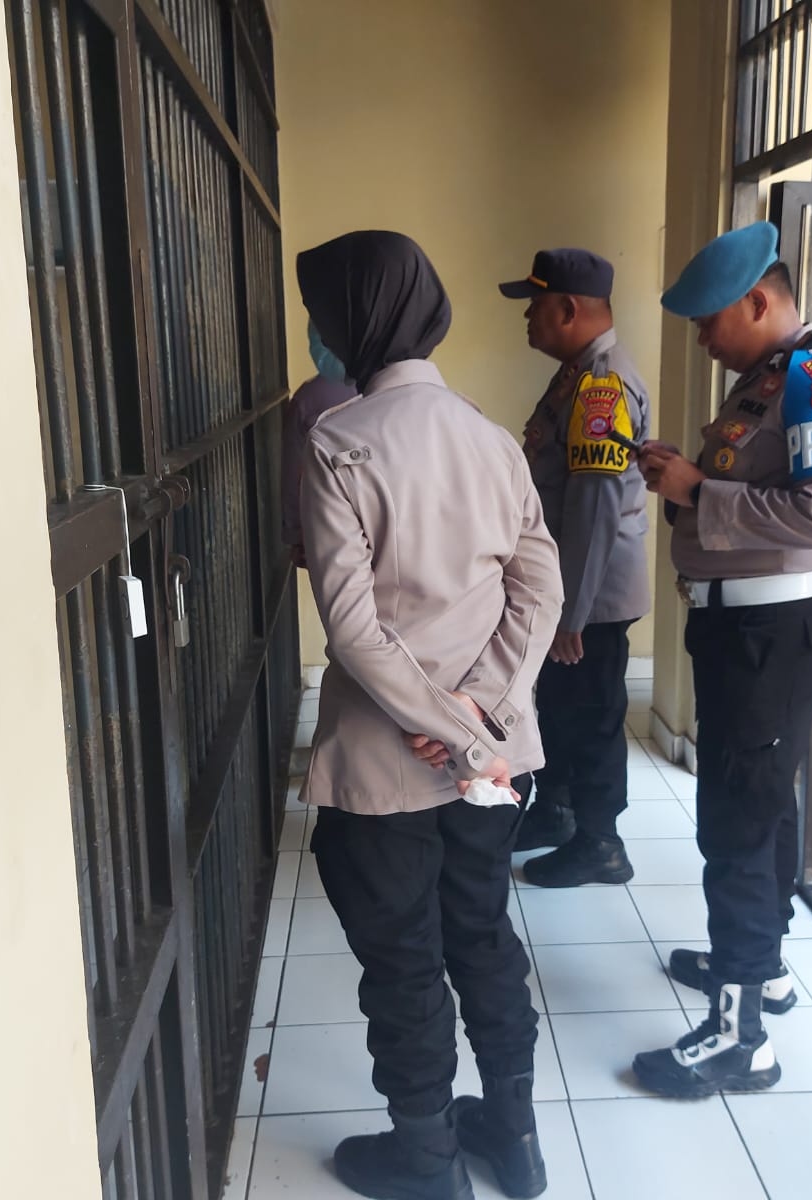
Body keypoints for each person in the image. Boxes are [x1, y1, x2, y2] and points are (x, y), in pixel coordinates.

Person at [297, 230, 564, 1200]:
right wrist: (481, 714)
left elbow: (353, 629)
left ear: (352, 319)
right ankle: (515, 1140)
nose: (319, 330)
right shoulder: (490, 437)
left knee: (404, 961)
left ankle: (425, 1158)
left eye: (321, 311)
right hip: (492, 765)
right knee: (482, 935)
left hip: (387, 764)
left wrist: (445, 727)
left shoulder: (337, 443)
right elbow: (540, 589)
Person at [628, 221, 812, 1098]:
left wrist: (697, 488)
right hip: (744, 630)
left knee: (737, 821)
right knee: (762, 804)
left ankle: (741, 1043)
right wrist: (683, 485)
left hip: (771, 632)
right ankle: (760, 970)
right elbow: (747, 491)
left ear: (758, 301)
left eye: (708, 321)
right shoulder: (767, 379)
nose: (701, 338)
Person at [496, 249, 651, 887]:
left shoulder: (602, 387)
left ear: (568, 309)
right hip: (568, 587)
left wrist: (572, 614)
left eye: (535, 306)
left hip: (592, 596)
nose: (526, 318)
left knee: (591, 717)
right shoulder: (576, 376)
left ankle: (601, 842)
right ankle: (557, 812)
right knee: (560, 706)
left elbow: (594, 507)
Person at [281, 320, 358, 567]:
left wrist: (296, 536)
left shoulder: (306, 400)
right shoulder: (382, 390)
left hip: (325, 531)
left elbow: (292, 474)